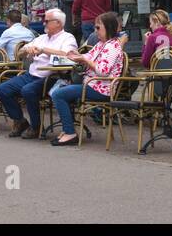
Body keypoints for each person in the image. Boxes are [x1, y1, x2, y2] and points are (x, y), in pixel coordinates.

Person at [0, 8, 77, 139]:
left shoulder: (67, 38)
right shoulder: (41, 38)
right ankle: (20, 121)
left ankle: (36, 126)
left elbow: (68, 55)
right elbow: (20, 52)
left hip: (52, 76)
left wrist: (44, 50)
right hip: (31, 74)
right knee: (1, 89)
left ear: (58, 23)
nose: (44, 23)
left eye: (47, 21)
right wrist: (27, 50)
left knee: (28, 91)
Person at [49, 12, 124, 147]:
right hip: (92, 85)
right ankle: (68, 129)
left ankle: (69, 132)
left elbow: (103, 71)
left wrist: (83, 59)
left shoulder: (113, 46)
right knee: (62, 91)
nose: (95, 31)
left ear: (109, 28)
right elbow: (89, 56)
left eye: (98, 28)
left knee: (59, 94)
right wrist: (77, 55)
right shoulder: (102, 44)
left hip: (102, 89)